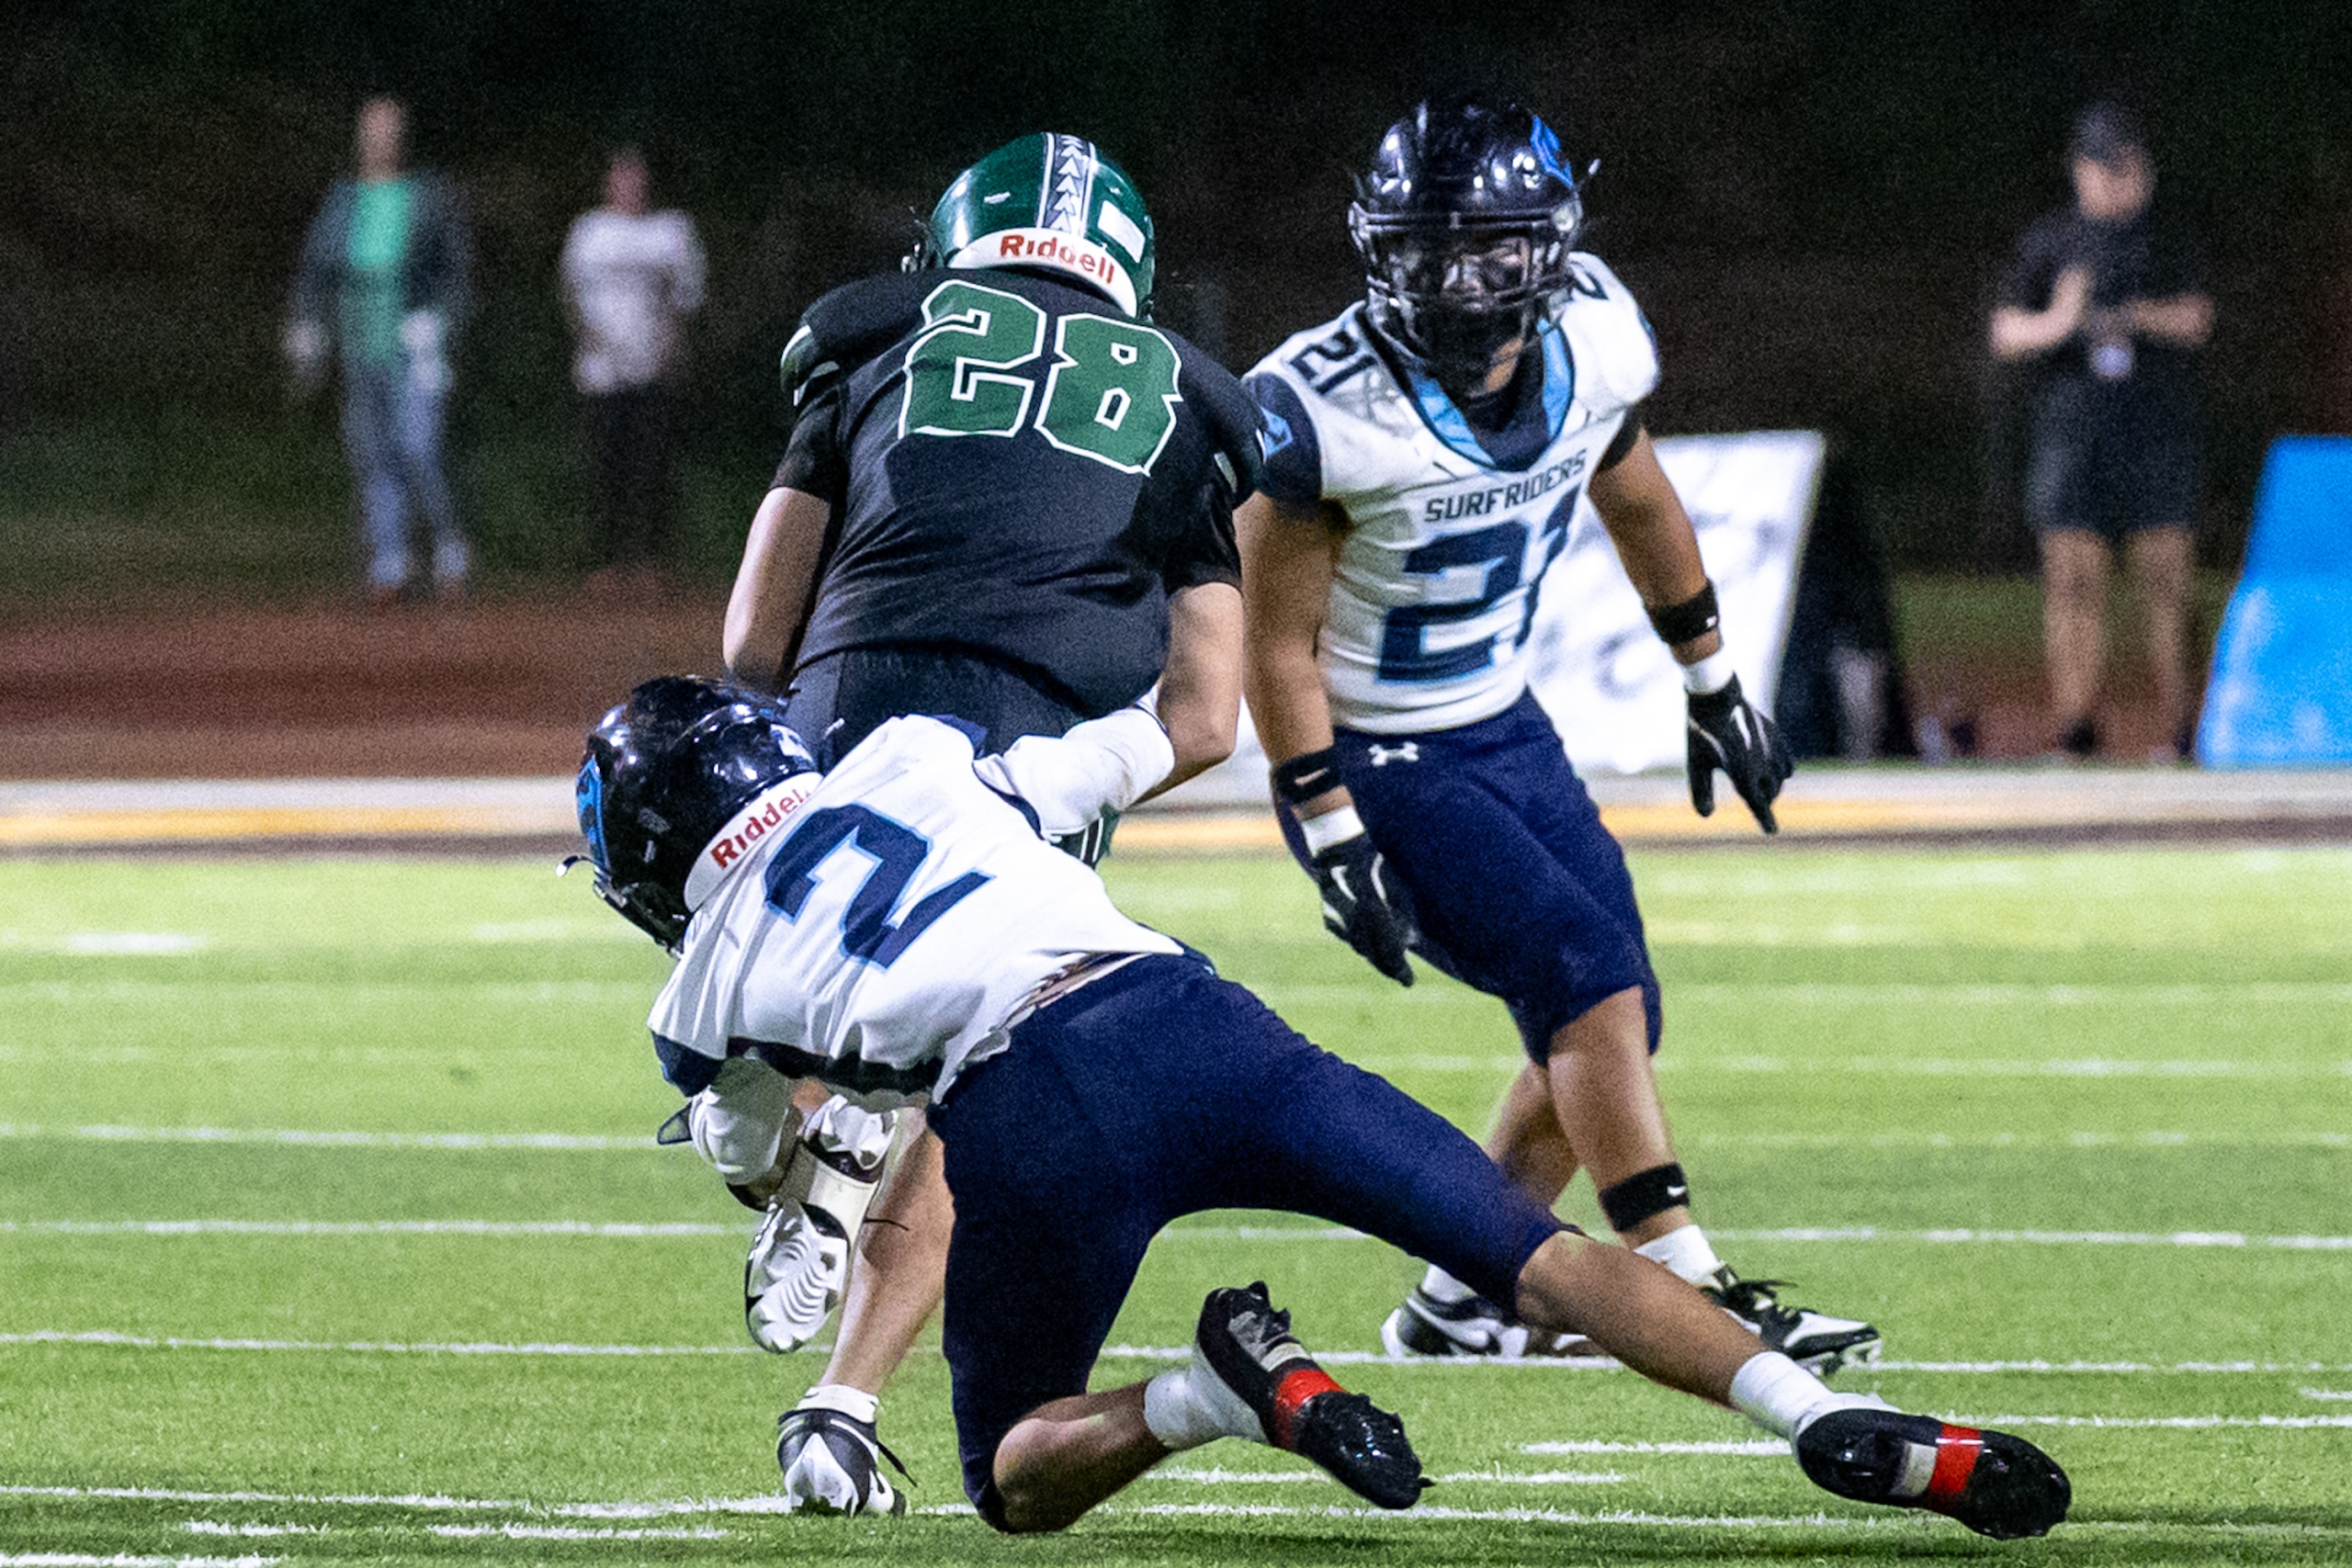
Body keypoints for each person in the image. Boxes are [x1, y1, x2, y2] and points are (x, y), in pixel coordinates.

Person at [571, 674, 2072, 1540]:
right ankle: (1820, 1413)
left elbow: (760, 1159)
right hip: (1198, 1018)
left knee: (1013, 1475)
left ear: (650, 856)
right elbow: (1137, 744)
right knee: (1539, 1256)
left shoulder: (699, 991)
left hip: (1031, 1106)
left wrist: (780, 1117)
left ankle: (1213, 1395)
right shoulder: (910, 756)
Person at [1237, 100, 1880, 1371]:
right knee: (1584, 978)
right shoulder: (1319, 404)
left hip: (1502, 722)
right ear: (1379, 249)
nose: (1460, 282)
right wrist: (1327, 822)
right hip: (1374, 749)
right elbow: (1275, 643)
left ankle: (1458, 1299)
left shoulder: (1593, 338)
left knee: (1615, 1008)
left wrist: (1713, 683)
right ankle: (1685, 1281)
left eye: (1490, 248)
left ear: (1550, 246)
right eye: (1428, 251)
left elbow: (1639, 500)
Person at [709, 132, 1262, 1512]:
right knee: (974, 1075)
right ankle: (841, 1406)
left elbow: (754, 639)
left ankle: (810, 1135)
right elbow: (1208, 716)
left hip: (859, 702)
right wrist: (1072, 773)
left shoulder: (871, 334)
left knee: (788, 1005)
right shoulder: (1194, 401)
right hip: (1040, 744)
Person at [1989, 103, 2212, 761]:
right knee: (2072, 581)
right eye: (2103, 167)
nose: (2117, 180)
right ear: (2079, 169)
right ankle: (2076, 733)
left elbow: (2199, 319)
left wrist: (2136, 314)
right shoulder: (2049, 241)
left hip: (2155, 432)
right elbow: (2005, 331)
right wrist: (2061, 321)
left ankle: (2186, 735)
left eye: (2128, 166)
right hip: (2073, 436)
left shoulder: (2168, 239)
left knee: (2169, 583)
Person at [287, 96, 473, 604]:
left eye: (390, 129)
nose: (381, 138)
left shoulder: (428, 195)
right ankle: (390, 560)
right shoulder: (343, 200)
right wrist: (307, 326)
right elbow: (315, 271)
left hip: (414, 343)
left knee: (421, 446)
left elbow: (456, 271)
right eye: (373, 129)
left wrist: (442, 326)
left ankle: (449, 548)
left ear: (403, 136)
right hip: (360, 341)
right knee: (373, 453)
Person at [560, 147, 707, 586]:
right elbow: (571, 295)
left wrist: (668, 349)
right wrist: (596, 341)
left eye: (638, 176)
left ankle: (653, 562)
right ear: (609, 181)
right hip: (602, 374)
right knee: (607, 467)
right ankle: (607, 563)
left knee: (655, 466)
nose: (631, 185)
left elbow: (686, 299)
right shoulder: (589, 231)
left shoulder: (672, 230)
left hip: (655, 371)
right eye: (623, 176)